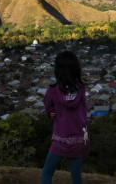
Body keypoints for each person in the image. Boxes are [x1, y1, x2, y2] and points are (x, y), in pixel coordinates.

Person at [41, 51, 90, 184]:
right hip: (79, 138)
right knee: (75, 174)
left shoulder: (52, 91)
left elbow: (47, 106)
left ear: (58, 69)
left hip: (60, 138)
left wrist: (51, 110)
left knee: (47, 171)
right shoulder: (81, 89)